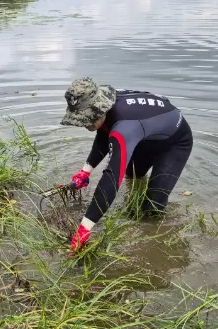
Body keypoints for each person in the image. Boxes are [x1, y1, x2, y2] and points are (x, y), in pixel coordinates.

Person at [60, 77, 193, 254]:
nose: (84, 124)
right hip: (145, 136)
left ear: (99, 109)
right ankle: (137, 192)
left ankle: (155, 245)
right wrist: (85, 171)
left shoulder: (124, 127)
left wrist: (85, 227)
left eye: (86, 119)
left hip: (175, 142)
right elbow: (103, 134)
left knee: (152, 207)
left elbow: (112, 177)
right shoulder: (107, 107)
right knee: (133, 175)